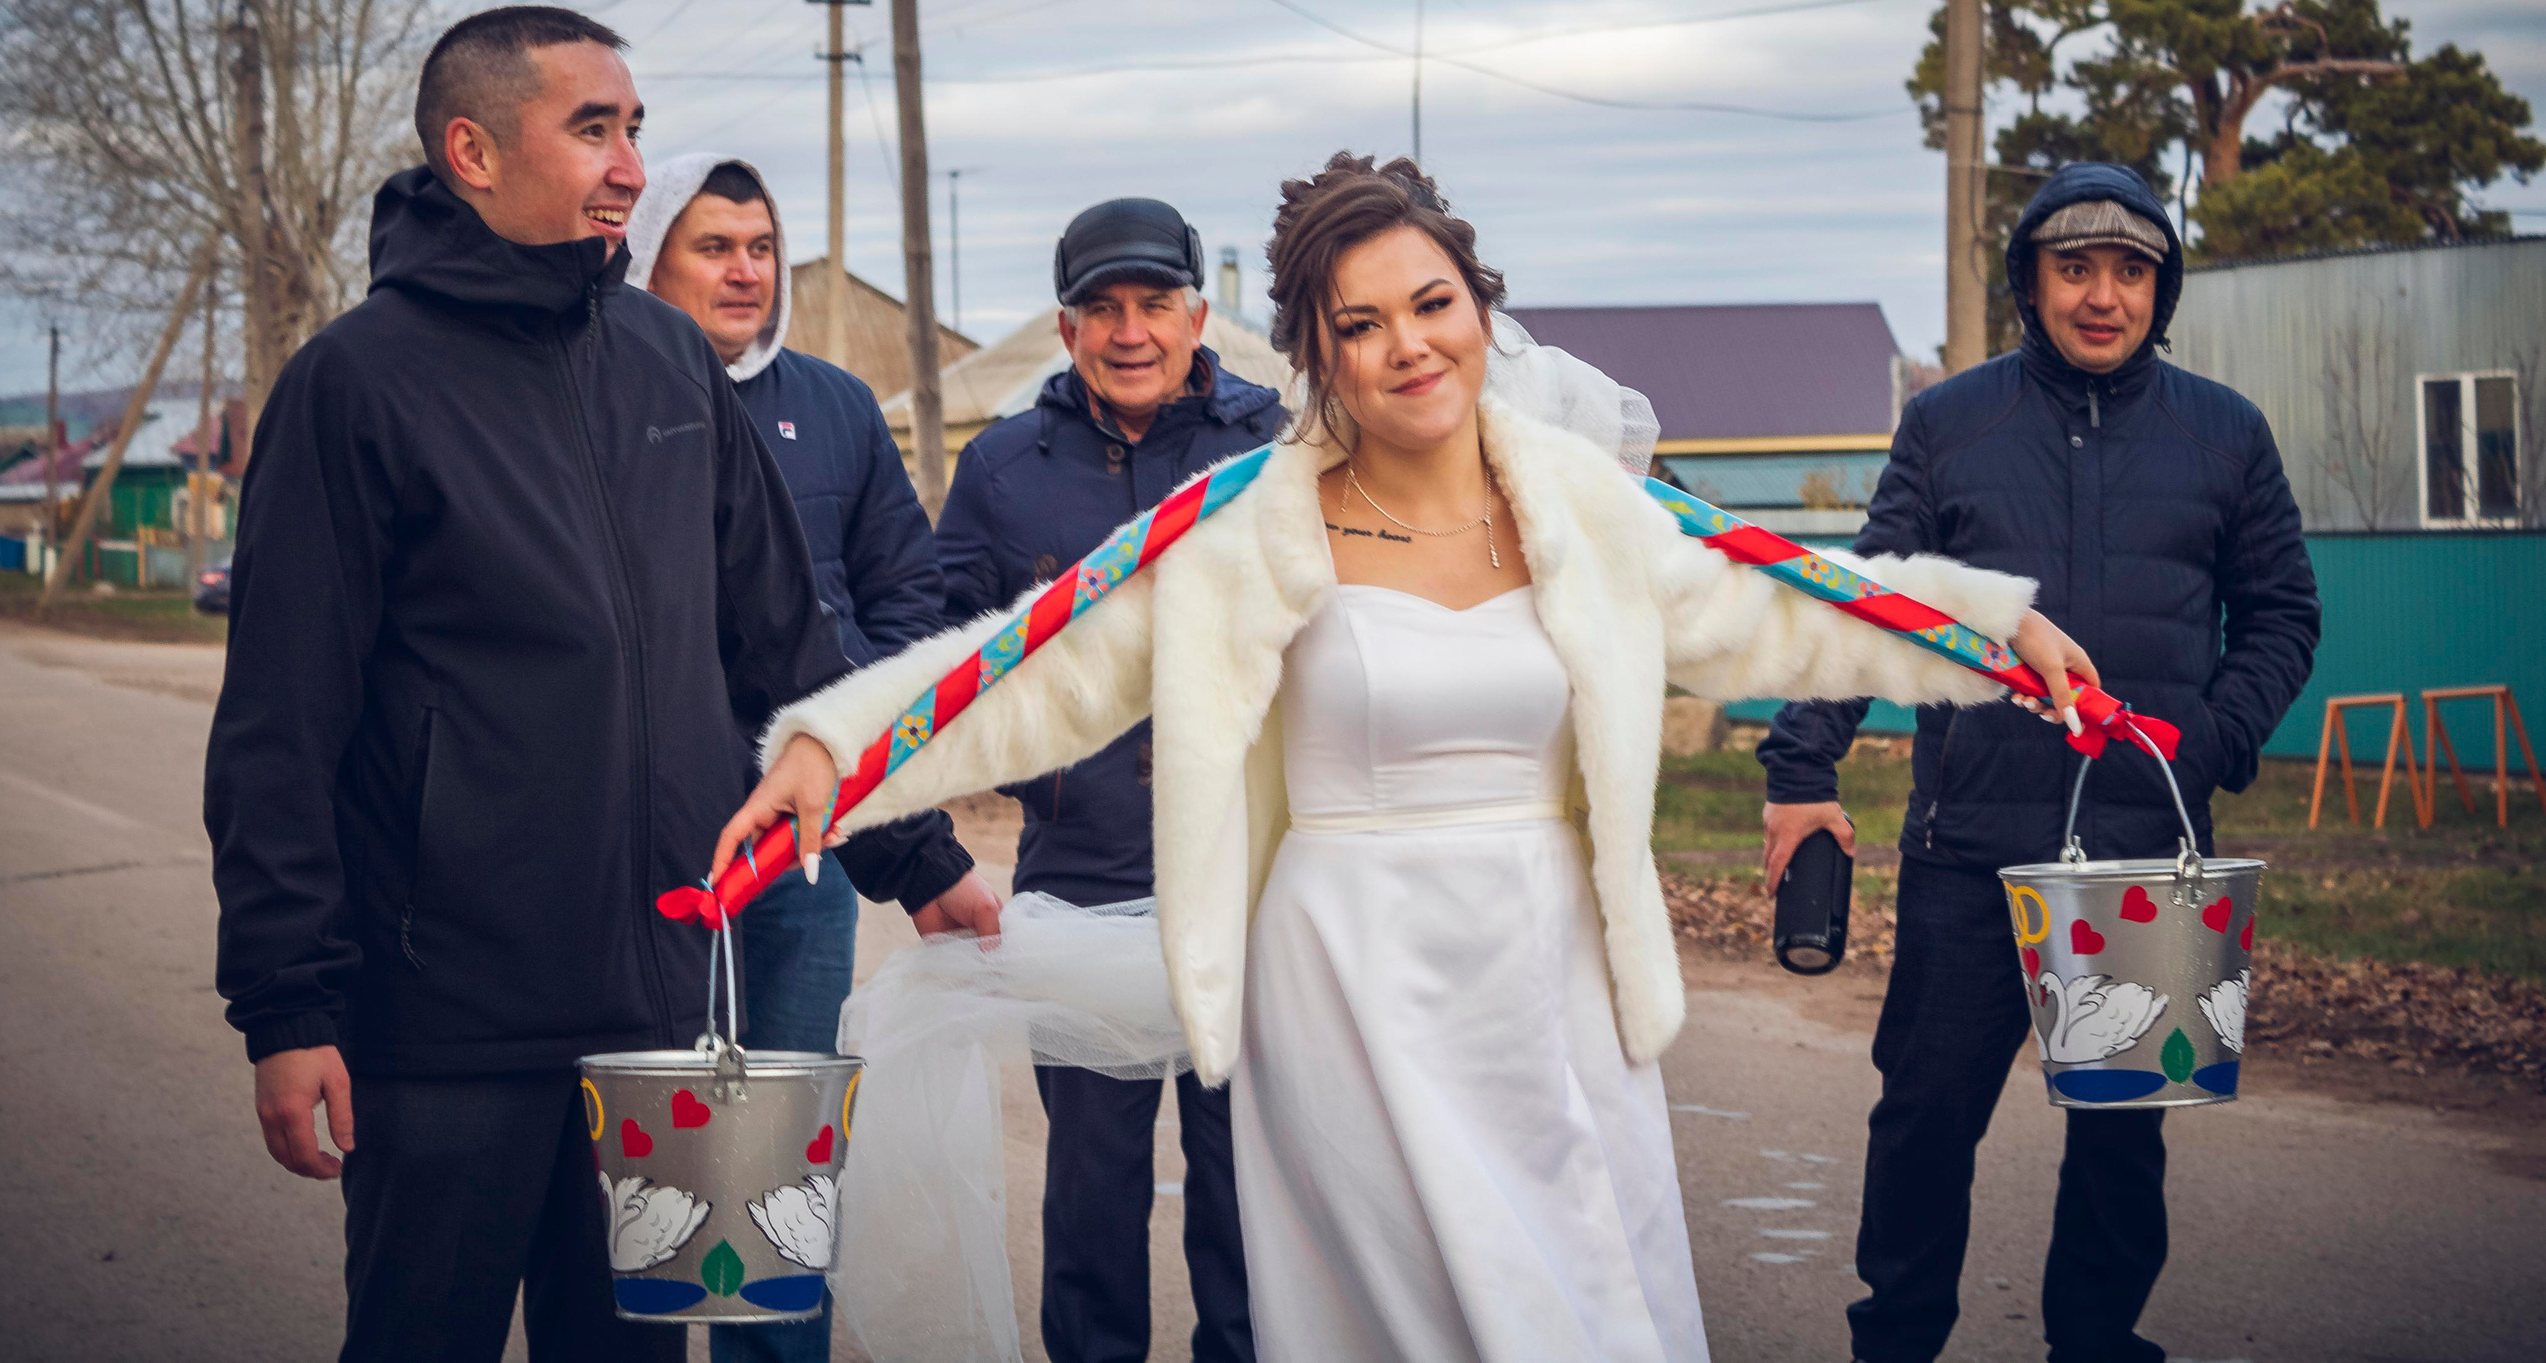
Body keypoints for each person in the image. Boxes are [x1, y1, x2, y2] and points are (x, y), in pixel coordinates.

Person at [715, 152, 2101, 1363]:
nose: (1409, 346)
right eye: (1360, 323)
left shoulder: (1580, 509)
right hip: (1344, 982)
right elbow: (1029, 674)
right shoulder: (1247, 521)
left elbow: (1781, 602)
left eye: (1434, 304)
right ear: (1316, 352)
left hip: (1552, 977)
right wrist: (831, 757)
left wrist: (1995, 632)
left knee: (1577, 1298)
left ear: (1482, 312)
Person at [204, 7, 985, 1363]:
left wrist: (916, 854)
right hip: (444, 1022)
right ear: (474, 150)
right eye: (594, 128)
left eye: (632, 127)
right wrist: (288, 1005)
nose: (631, 162)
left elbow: (783, 650)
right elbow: (281, 721)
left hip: (660, 1013)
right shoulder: (357, 385)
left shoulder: (665, 360)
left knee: (633, 1347)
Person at [1758, 161, 2321, 1363]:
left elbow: (2281, 615)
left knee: (2121, 1138)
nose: (2102, 295)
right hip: (1971, 853)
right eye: (2075, 268)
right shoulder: (1951, 422)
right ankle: (1895, 1341)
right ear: (2031, 280)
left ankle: (2097, 1343)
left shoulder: (2225, 432)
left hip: (2141, 851)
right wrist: (1801, 772)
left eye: (2130, 271)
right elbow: (1876, 606)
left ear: (2160, 290)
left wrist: (2211, 744)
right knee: (1922, 1122)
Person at [625, 150, 1001, 1363]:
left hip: (808, 855)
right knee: (645, 1180)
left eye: (760, 246)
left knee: (774, 1174)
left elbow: (908, 594)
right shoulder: (604, 395)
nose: (744, 270)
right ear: (651, 261)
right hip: (644, 855)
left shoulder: (835, 405)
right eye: (713, 246)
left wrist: (865, 737)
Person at [930, 196, 1283, 1363]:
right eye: (1101, 309)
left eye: (1154, 306)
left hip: (1256, 881)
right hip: (1081, 881)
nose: (1129, 332)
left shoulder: (1279, 450)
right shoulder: (999, 471)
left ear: (1196, 313)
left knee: (1252, 1206)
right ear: (1066, 326)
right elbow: (934, 656)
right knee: (1090, 1205)